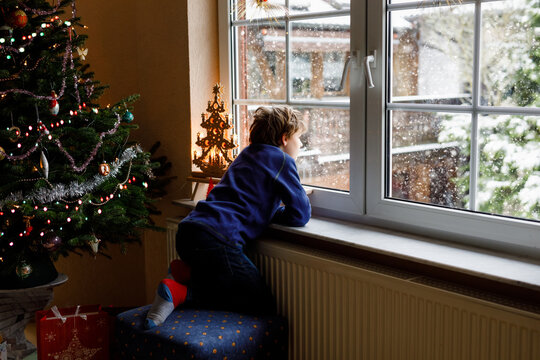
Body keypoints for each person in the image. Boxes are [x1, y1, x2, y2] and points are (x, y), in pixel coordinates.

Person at [145, 106, 311, 329]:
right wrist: (278, 213)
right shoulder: (281, 160)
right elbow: (301, 213)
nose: (300, 144)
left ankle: (188, 274)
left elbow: (243, 198)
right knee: (259, 301)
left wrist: (267, 213)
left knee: (223, 281)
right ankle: (183, 292)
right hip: (217, 237)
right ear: (284, 139)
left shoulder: (246, 154)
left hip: (189, 230)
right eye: (298, 138)